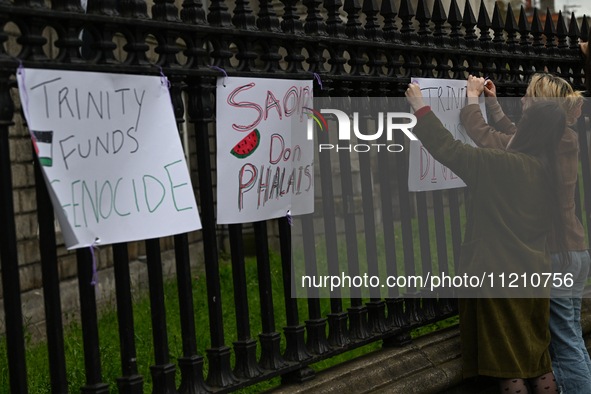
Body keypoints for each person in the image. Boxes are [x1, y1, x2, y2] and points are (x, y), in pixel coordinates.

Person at [406, 83, 567, 394]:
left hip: (499, 277)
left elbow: (448, 149)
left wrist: (419, 106)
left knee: (506, 364)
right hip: (534, 276)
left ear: (528, 130)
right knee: (536, 360)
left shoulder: (498, 164)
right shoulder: (548, 171)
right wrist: (473, 101)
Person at [460, 74, 591, 394]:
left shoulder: (540, 143)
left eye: (528, 97)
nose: (521, 101)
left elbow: (488, 137)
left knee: (563, 346)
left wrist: (472, 100)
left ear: (542, 106)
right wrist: (493, 104)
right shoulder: (566, 137)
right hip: (577, 252)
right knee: (572, 335)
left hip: (555, 254)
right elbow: (518, 135)